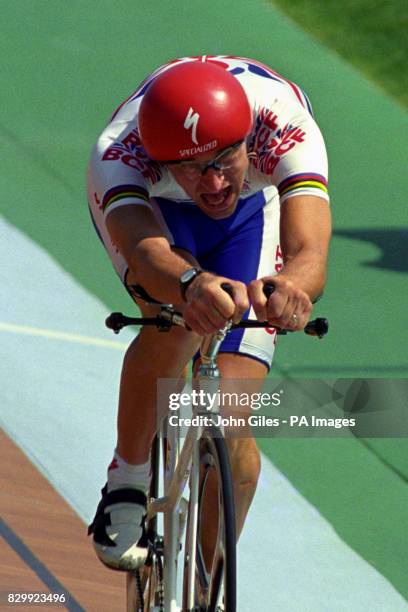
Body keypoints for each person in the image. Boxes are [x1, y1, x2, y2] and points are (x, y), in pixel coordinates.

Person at [87, 55, 331, 571]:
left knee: (231, 414)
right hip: (159, 211)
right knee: (175, 321)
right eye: (194, 167)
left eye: (225, 159)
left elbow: (310, 252)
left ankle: (209, 580)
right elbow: (140, 247)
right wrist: (187, 284)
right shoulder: (120, 154)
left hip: (255, 207)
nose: (215, 182)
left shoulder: (284, 127)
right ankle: (127, 478)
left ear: (250, 139)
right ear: (162, 157)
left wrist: (290, 291)